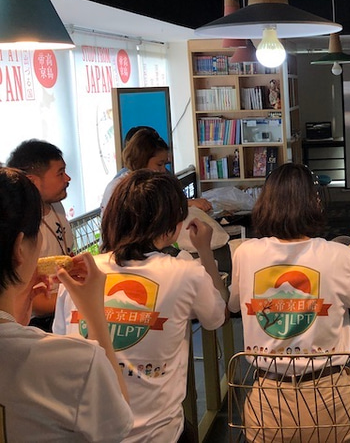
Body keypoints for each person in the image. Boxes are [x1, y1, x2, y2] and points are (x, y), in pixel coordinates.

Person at [54, 170, 227, 442]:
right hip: (159, 434)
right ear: (173, 225)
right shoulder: (184, 272)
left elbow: (62, 343)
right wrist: (204, 250)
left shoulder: (78, 272)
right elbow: (217, 317)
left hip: (89, 432)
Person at [228, 163, 350, 442]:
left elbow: (233, 306)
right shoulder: (339, 255)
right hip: (333, 413)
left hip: (268, 415)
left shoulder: (245, 253)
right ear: (315, 204)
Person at [0, 167, 133, 441]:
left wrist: (17, 315)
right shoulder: (75, 361)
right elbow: (118, 425)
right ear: (19, 249)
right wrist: (94, 312)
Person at [6, 139, 75, 331]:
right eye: (60, 173)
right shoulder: (21, 228)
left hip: (64, 306)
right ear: (32, 181)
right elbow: (34, 302)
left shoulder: (57, 206)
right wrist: (79, 296)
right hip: (38, 324)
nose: (68, 178)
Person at [101, 127, 212, 213]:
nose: (163, 170)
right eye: (159, 164)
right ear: (141, 160)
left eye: (164, 164)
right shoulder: (121, 188)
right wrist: (186, 204)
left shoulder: (148, 183)